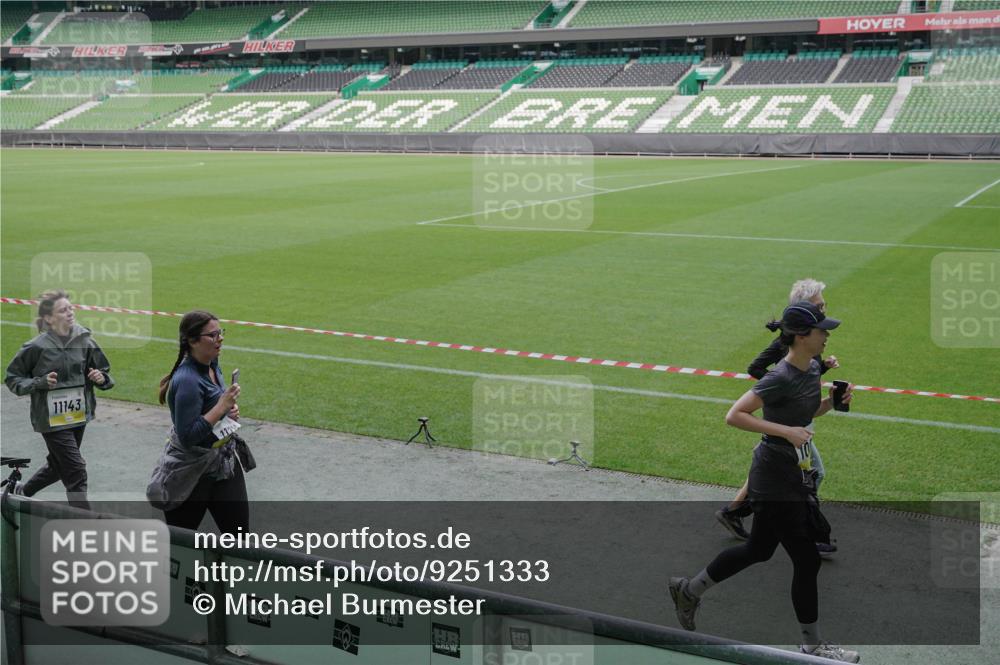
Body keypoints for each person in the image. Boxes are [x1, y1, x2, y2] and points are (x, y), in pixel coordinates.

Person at [669, 301, 858, 663]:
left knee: (759, 549)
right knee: (806, 559)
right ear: (802, 337)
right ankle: (813, 647)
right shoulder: (780, 377)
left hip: (790, 474)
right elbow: (735, 415)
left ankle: (689, 591)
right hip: (773, 478)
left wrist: (831, 403)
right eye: (822, 330)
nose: (827, 335)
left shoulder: (811, 368)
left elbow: (805, 411)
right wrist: (785, 431)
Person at [716, 278, 839, 556]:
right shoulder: (785, 359)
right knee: (809, 475)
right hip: (788, 427)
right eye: (819, 306)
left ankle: (735, 513)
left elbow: (805, 382)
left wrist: (825, 380)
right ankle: (807, 533)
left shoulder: (811, 349)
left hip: (797, 424)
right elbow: (756, 369)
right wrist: (778, 397)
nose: (824, 310)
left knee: (769, 478)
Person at [4, 290, 114, 510]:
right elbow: (12, 379)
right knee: (75, 470)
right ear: (48, 319)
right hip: (52, 421)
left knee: (57, 466)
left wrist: (100, 378)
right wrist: (39, 383)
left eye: (70, 308)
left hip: (78, 416)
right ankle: (84, 524)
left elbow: (104, 372)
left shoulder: (85, 341)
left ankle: (22, 491)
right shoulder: (35, 347)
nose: (70, 313)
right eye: (63, 310)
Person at [148, 310, 250, 533]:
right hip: (190, 472)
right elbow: (188, 437)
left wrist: (227, 413)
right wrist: (221, 407)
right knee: (183, 545)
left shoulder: (213, 363)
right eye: (212, 335)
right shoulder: (186, 381)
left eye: (220, 332)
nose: (220, 338)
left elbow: (212, 411)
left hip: (223, 464)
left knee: (240, 539)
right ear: (192, 341)